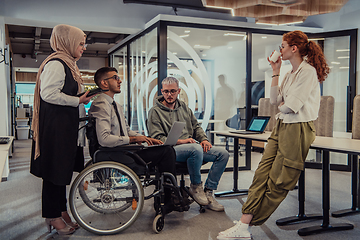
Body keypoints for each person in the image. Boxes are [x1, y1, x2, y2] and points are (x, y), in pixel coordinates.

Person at [217, 30, 330, 240]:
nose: (280, 50)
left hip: (298, 128)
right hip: (282, 125)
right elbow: (273, 101)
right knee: (261, 174)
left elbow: (292, 106)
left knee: (280, 180)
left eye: (283, 46)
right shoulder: (288, 73)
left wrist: (283, 105)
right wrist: (276, 71)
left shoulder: (308, 72)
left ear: (293, 48)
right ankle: (244, 223)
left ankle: (246, 223)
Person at [30, 24, 94, 235]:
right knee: (53, 174)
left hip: (64, 129)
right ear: (67, 42)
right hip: (55, 130)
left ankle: (61, 210)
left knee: (61, 173)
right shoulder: (57, 64)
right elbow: (49, 94)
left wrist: (81, 99)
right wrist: (78, 100)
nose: (83, 47)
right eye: (81, 43)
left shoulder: (69, 64)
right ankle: (52, 216)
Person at [88, 67, 177, 211]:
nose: (120, 81)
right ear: (104, 83)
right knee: (166, 152)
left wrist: (144, 138)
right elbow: (104, 139)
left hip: (124, 150)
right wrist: (133, 140)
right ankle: (167, 199)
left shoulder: (115, 105)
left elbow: (126, 131)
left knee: (164, 149)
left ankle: (166, 196)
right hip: (117, 153)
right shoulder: (101, 105)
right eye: (116, 78)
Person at [147, 76, 230, 212]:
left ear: (179, 91)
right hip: (170, 151)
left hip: (193, 148)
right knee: (195, 148)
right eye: (166, 91)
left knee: (223, 154)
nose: (169, 95)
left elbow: (196, 126)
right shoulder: (155, 112)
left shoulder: (184, 108)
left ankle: (208, 193)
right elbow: (157, 138)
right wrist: (181, 141)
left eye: (173, 91)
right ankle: (196, 186)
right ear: (161, 91)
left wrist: (204, 139)